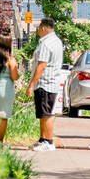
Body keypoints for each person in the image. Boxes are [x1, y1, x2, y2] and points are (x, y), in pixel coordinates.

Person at [27, 17, 64, 151]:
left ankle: (48, 141)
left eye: (38, 29)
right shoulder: (57, 41)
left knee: (46, 114)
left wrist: (31, 85)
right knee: (43, 114)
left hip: (45, 83)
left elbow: (41, 65)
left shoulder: (45, 43)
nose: (38, 31)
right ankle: (42, 139)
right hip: (52, 82)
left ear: (43, 28)